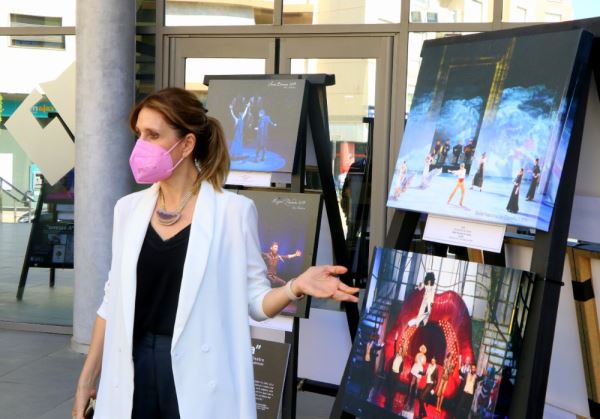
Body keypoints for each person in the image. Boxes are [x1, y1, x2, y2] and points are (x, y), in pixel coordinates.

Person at [72, 88, 359, 419]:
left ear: (187, 144)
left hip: (199, 375)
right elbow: (112, 301)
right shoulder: (128, 210)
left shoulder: (233, 213)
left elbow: (255, 302)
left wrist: (295, 286)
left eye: (153, 135)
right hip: (130, 370)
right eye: (139, 135)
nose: (141, 147)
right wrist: (85, 382)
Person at [406, 345, 427, 410]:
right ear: (421, 349)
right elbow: (415, 360)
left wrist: (421, 361)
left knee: (418, 382)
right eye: (422, 349)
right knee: (413, 381)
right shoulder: (417, 354)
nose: (422, 350)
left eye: (424, 349)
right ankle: (410, 392)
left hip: (420, 368)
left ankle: (415, 392)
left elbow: (424, 363)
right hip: (416, 367)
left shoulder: (424, 356)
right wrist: (417, 360)